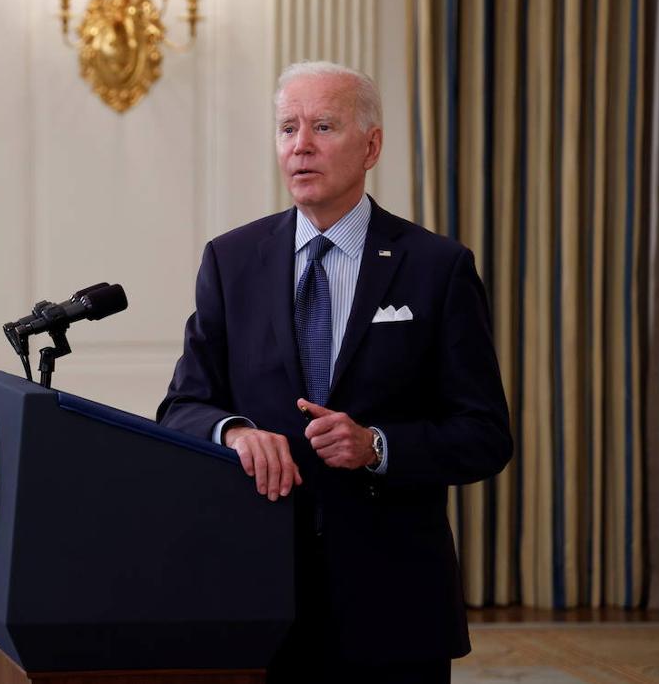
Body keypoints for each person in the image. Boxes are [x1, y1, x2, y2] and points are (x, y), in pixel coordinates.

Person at [156, 61, 512, 683]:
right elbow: (183, 405)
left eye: (323, 126)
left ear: (371, 145)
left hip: (392, 600)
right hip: (255, 590)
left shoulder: (437, 267)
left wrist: (377, 446)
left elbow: (484, 434)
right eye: (288, 128)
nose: (301, 145)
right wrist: (235, 432)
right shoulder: (231, 260)